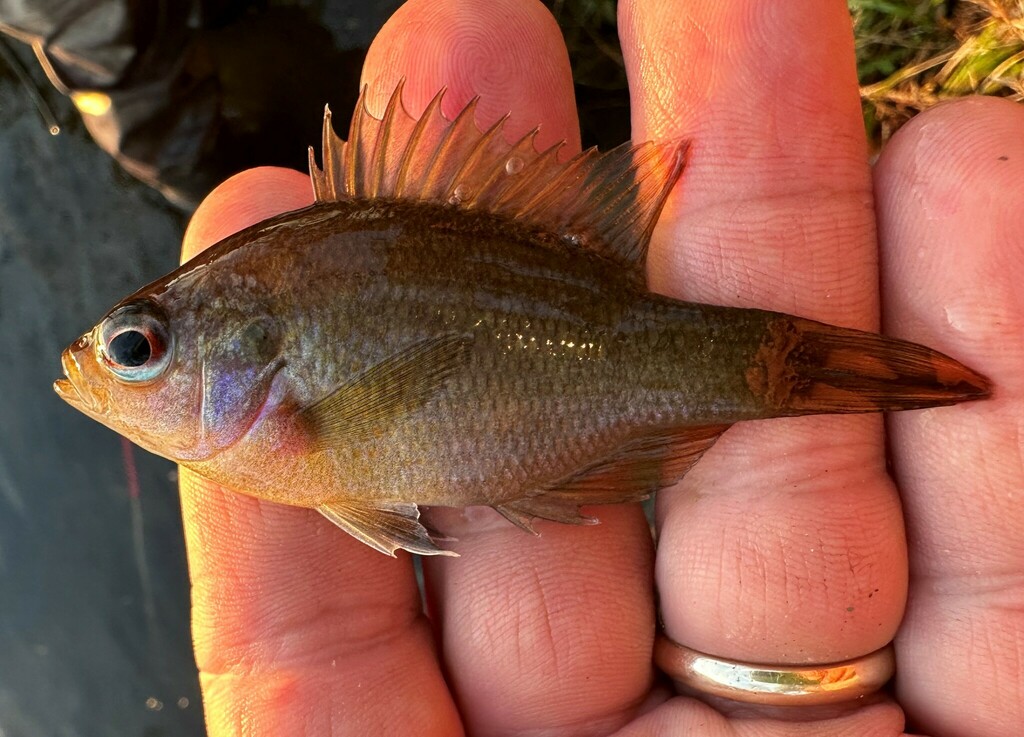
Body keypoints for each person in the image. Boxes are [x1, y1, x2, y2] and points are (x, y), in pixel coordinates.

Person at [178, 0, 1024, 734]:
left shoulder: (284, 416)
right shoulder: (291, 409)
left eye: (138, 351)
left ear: (246, 349)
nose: (109, 372)